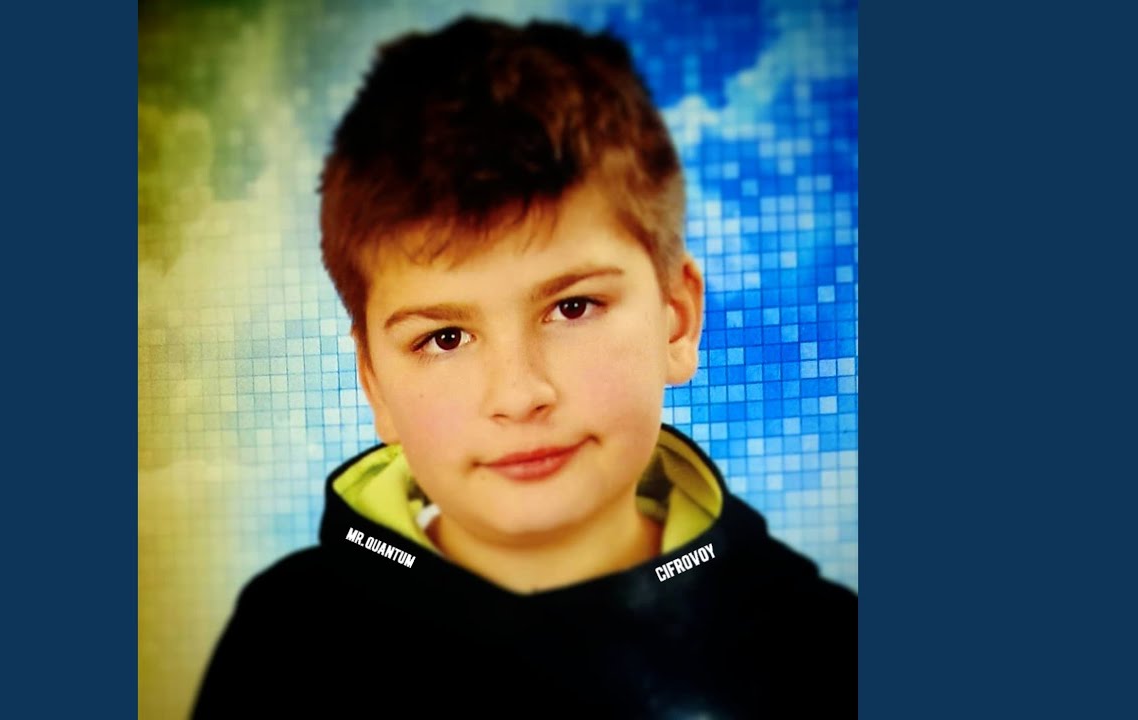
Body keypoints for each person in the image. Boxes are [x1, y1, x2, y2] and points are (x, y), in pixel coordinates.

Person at [193, 16, 856, 718]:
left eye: (573, 308)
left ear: (677, 319)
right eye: (445, 338)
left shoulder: (823, 647)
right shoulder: (285, 641)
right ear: (374, 382)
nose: (518, 394)